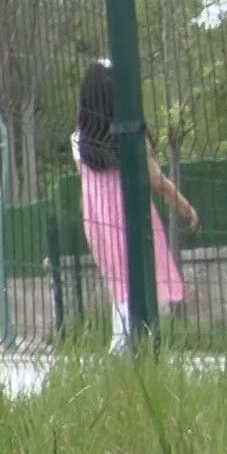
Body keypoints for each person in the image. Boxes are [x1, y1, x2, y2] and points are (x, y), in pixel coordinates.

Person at [74, 59, 201, 352]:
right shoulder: (131, 137)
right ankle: (129, 353)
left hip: (97, 220)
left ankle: (125, 350)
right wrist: (186, 208)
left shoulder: (79, 141)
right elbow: (156, 179)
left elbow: (84, 185)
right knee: (141, 284)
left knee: (119, 287)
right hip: (129, 216)